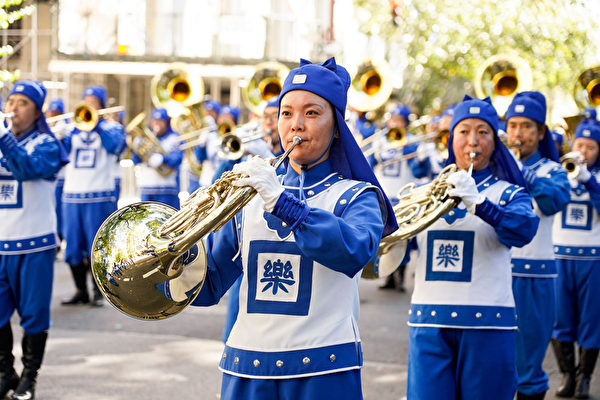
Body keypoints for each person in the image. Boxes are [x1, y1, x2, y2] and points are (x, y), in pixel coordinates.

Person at [191, 57, 397, 400]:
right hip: (246, 368)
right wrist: (174, 256)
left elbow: (355, 251)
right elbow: (210, 283)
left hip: (322, 370)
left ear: (337, 126)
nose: (296, 125)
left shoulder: (358, 196)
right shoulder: (249, 194)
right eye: (286, 113)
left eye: (312, 113)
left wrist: (283, 203)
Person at [405, 95, 539, 400]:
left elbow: (524, 229)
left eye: (483, 132)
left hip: (488, 323)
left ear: (495, 140)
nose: (472, 141)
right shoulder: (427, 192)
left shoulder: (509, 193)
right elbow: (399, 243)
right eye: (463, 131)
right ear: (452, 138)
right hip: (429, 323)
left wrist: (479, 203)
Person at [0, 81, 69, 400]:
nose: (13, 108)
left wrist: (4, 138)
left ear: (37, 110)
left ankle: (30, 378)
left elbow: (27, 169)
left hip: (34, 243)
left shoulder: (46, 143)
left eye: (22, 103)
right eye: (10, 101)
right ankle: (5, 372)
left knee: (33, 314)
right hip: (1, 242)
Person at [505, 91, 571, 400]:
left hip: (535, 276)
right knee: (495, 365)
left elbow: (554, 200)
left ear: (541, 131)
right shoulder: (494, 169)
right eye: (513, 124)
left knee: (528, 367)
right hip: (495, 275)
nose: (518, 133)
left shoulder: (552, 171)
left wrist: (523, 173)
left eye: (527, 126)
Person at [61, 85, 126, 307]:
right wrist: (62, 133)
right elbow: (60, 154)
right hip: (72, 195)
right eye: (85, 101)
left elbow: (115, 147)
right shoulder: (71, 129)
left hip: (99, 195)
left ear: (101, 105)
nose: (89, 106)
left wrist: (96, 124)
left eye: (94, 102)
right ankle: (81, 290)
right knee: (72, 248)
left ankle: (100, 292)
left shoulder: (111, 128)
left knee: (97, 247)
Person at [551, 116, 600, 399]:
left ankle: (585, 379)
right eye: (580, 144)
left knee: (592, 321)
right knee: (561, 319)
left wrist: (590, 183)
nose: (584, 152)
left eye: (591, 147)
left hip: (593, 259)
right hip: (560, 255)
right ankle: (568, 375)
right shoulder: (560, 172)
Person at [131, 108, 183, 209]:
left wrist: (163, 159)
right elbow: (135, 160)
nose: (157, 124)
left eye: (161, 121)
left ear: (167, 123)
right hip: (146, 188)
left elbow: (177, 159)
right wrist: (137, 150)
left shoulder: (175, 138)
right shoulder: (144, 139)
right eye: (155, 121)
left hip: (167, 189)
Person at [45, 98, 68, 243]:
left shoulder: (63, 126)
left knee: (58, 210)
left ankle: (59, 236)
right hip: (51, 178)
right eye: (51, 112)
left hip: (62, 177)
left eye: (56, 112)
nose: (53, 115)